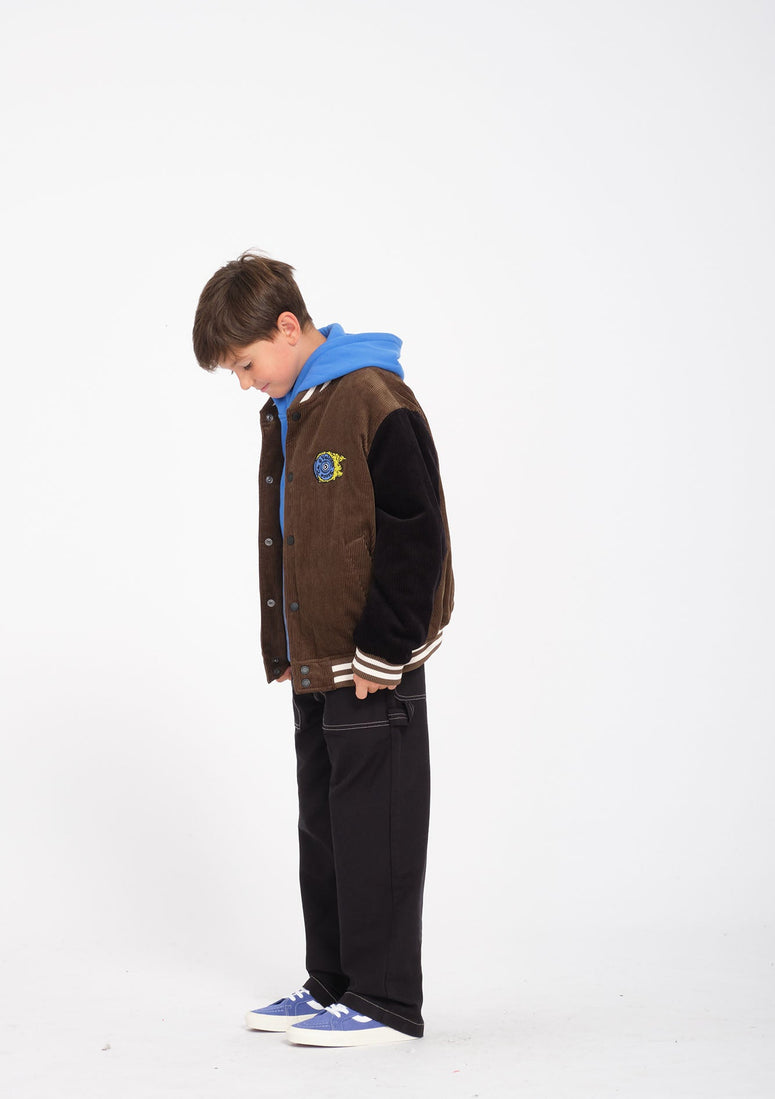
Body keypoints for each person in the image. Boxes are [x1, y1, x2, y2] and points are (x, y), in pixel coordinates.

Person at [192, 252, 454, 1048]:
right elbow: (294, 535)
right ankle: (334, 981)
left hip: (373, 665)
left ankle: (384, 999)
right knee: (328, 831)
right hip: (317, 662)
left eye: (245, 364)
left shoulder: (372, 397)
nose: (244, 383)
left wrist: (385, 645)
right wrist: (287, 645)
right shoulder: (294, 408)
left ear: (286, 327)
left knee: (376, 830)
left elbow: (417, 531)